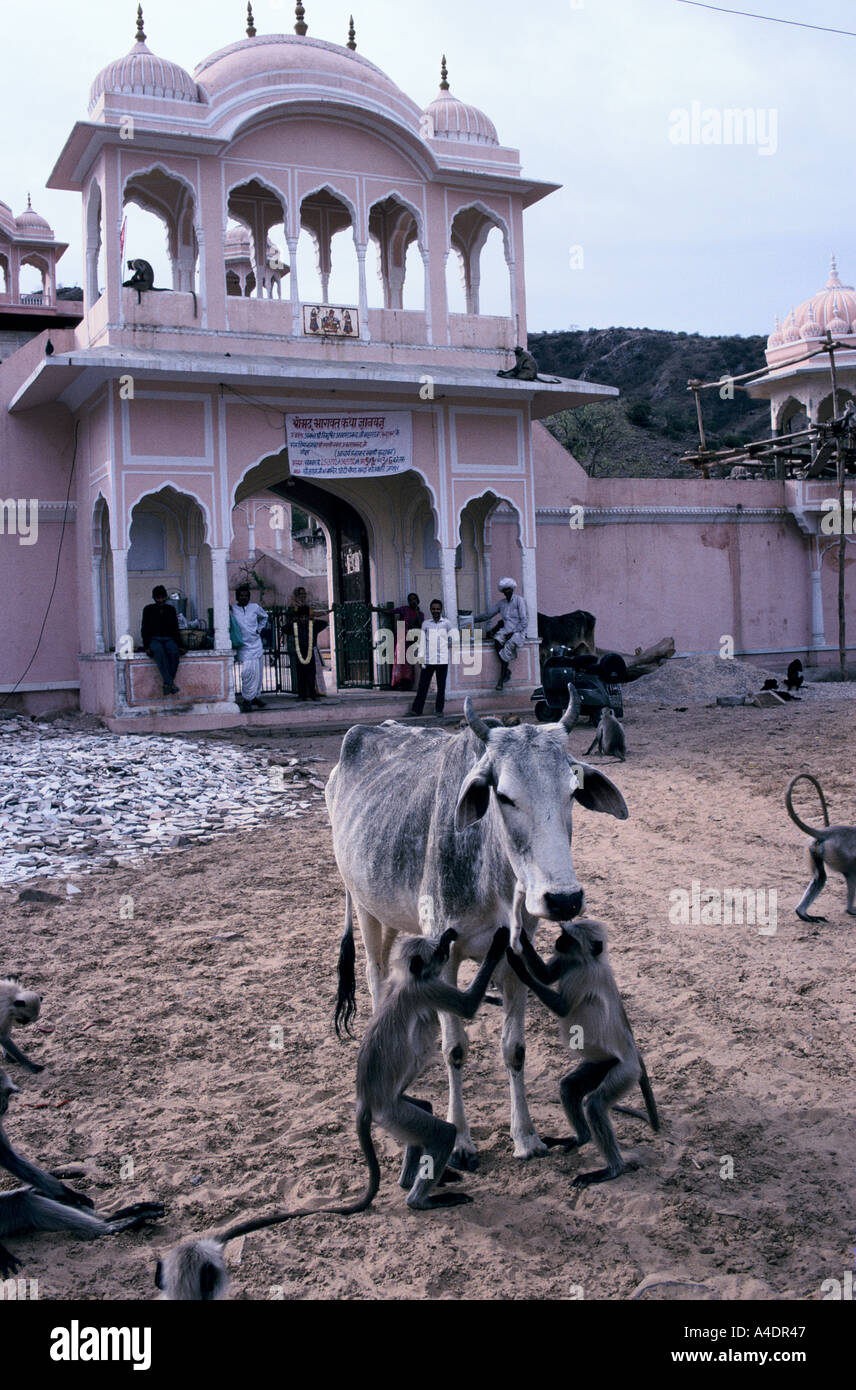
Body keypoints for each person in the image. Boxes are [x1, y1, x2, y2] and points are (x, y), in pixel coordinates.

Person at [475, 577, 528, 691]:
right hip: (505, 631)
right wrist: (470, 619)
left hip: (518, 632)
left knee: (507, 647)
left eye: (509, 589)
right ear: (503, 591)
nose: (507, 592)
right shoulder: (502, 604)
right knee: (497, 642)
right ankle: (506, 671)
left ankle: (500, 680)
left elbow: (524, 621)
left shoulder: (519, 600)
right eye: (505, 590)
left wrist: (513, 632)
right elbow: (487, 615)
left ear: (512, 589)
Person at [410, 599, 452, 716]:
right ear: (430, 610)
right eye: (433, 609)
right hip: (428, 660)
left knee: (441, 687)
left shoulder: (447, 623)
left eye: (438, 609)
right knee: (423, 686)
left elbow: (451, 639)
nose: (436, 611)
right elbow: (422, 642)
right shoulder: (426, 624)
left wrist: (444, 648)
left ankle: (439, 710)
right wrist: (421, 658)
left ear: (441, 610)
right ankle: (416, 710)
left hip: (442, 660)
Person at [231, 583, 268, 712]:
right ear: (237, 597)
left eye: (246, 596)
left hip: (256, 644)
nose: (244, 598)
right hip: (244, 647)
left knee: (258, 673)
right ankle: (247, 698)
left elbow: (265, 617)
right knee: (247, 672)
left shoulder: (255, 607)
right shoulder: (233, 609)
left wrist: (258, 630)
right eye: (241, 596)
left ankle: (254, 697)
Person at [140, 585, 182, 696]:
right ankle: (170, 684)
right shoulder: (148, 609)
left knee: (174, 653)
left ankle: (167, 684)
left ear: (165, 597)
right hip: (154, 640)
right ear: (154, 598)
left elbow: (175, 629)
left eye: (162, 598)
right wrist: (147, 647)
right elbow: (144, 629)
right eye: (158, 598)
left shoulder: (171, 610)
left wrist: (180, 645)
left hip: (169, 639)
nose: (160, 601)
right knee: (159, 653)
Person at [292, 604, 328, 701]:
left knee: (311, 674)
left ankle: (312, 694)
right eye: (301, 617)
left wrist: (314, 619)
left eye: (305, 617)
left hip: (310, 652)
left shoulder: (313, 625)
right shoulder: (295, 626)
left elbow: (324, 624)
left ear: (308, 617)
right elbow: (284, 629)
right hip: (300, 653)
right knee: (300, 674)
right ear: (298, 618)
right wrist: (294, 621)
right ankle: (302, 695)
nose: (303, 619)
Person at [390, 592, 424, 690]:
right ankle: (398, 683)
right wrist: (375, 609)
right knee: (400, 662)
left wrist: (417, 613)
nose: (412, 601)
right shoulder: (404, 610)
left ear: (418, 601)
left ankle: (407, 684)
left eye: (414, 599)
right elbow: (390, 611)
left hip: (412, 641)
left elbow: (420, 625)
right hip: (402, 639)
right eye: (410, 599)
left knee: (409, 663)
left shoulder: (420, 614)